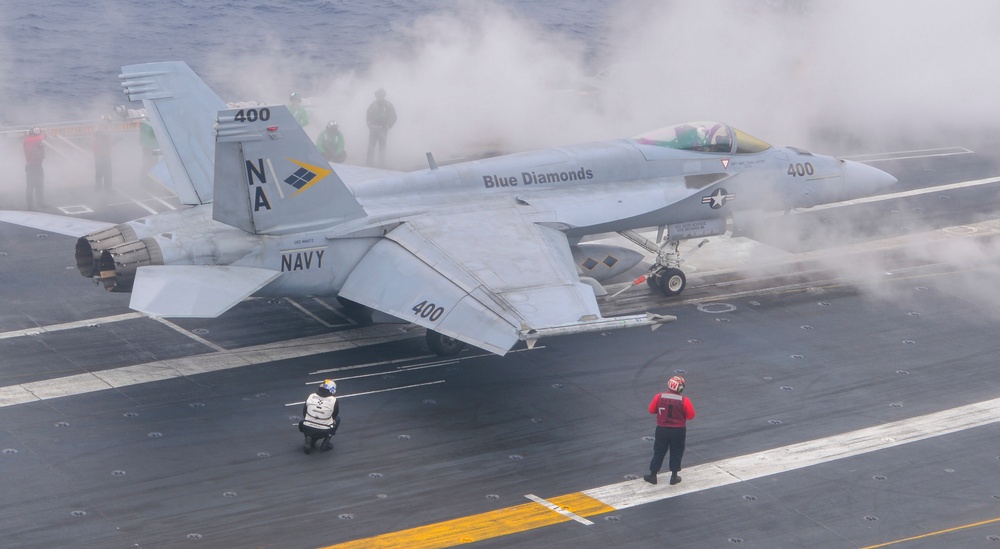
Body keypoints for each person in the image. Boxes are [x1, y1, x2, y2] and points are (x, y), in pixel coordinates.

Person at [644, 375, 695, 485]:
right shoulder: (684, 400)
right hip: (678, 430)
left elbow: (651, 410)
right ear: (680, 387)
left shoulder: (659, 397)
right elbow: (691, 416)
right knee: (676, 452)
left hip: (662, 429)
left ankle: (653, 475)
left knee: (659, 451)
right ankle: (674, 476)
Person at [299, 379, 340, 454]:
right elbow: (334, 415)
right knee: (337, 419)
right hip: (324, 431)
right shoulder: (334, 400)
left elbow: (304, 412)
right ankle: (326, 442)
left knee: (304, 420)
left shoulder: (311, 396)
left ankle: (310, 438)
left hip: (307, 428)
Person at [365, 88, 396, 167]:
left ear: (384, 96)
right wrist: (368, 122)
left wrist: (389, 125)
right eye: (378, 95)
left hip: (383, 129)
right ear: (376, 96)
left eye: (381, 95)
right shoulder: (372, 105)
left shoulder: (388, 105)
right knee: (371, 146)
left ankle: (381, 163)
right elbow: (368, 115)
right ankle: (369, 163)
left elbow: (394, 117)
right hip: (373, 129)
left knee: (382, 147)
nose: (379, 97)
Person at [23, 127, 46, 210]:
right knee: (30, 186)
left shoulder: (37, 142)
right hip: (31, 166)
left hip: (37, 165)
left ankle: (40, 203)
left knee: (40, 185)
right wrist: (42, 137)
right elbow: (33, 140)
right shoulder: (29, 140)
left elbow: (42, 154)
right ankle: (30, 205)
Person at [93, 115, 113, 191]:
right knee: (104, 171)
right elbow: (101, 142)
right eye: (108, 122)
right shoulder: (100, 130)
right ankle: (105, 189)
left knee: (102, 171)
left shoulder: (102, 128)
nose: (109, 123)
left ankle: (102, 188)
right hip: (101, 154)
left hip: (102, 153)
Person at [138, 113, 159, 186]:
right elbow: (155, 134)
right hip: (152, 147)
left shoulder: (146, 121)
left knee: (146, 164)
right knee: (152, 164)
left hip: (145, 146)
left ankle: (143, 181)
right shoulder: (154, 123)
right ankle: (147, 182)